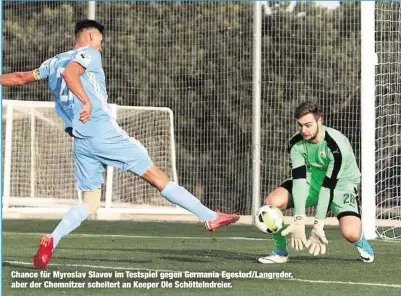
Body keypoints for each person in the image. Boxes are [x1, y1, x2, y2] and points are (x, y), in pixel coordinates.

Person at [0, 19, 239, 270]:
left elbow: (19, 78)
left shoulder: (51, 62)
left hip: (81, 140)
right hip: (103, 132)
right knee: (157, 177)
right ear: (91, 37)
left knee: (89, 204)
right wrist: (87, 102)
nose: (101, 48)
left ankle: (52, 238)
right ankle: (210, 217)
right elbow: (71, 74)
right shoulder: (89, 53)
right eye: (101, 42)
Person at [258, 101, 375, 264]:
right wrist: (299, 218)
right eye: (300, 125)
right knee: (271, 203)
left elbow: (328, 188)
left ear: (320, 120)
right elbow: (299, 180)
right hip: (313, 181)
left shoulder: (335, 146)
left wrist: (318, 225)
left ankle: (362, 243)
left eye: (308, 125)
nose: (304, 130)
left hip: (342, 185)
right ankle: (280, 252)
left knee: (351, 233)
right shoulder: (295, 143)